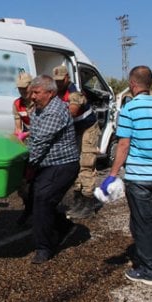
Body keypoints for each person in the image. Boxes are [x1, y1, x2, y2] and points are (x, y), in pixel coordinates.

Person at [103, 66, 152, 285]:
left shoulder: (130, 109)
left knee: (141, 223)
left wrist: (113, 173)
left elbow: (123, 144)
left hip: (139, 175)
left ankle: (148, 270)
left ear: (132, 84)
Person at [26, 75, 80, 264]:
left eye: (36, 92)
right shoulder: (40, 109)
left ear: (50, 93)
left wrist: (26, 164)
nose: (32, 96)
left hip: (62, 165)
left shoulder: (54, 111)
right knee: (35, 197)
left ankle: (44, 247)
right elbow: (33, 137)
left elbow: (40, 143)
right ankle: (63, 225)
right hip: (48, 164)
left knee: (42, 199)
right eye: (32, 92)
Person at [52, 64, 100, 219]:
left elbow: (72, 111)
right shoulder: (57, 93)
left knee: (86, 163)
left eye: (61, 80)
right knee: (75, 164)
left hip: (88, 129)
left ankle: (88, 201)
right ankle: (78, 198)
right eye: (56, 80)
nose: (59, 83)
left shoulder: (74, 93)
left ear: (67, 78)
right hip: (75, 130)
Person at [12, 72, 34, 226]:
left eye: (24, 88)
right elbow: (18, 127)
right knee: (24, 180)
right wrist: (18, 137)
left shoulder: (39, 101)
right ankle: (28, 208)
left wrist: (29, 133)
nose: (22, 92)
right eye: (19, 89)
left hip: (42, 140)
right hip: (28, 143)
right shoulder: (17, 104)